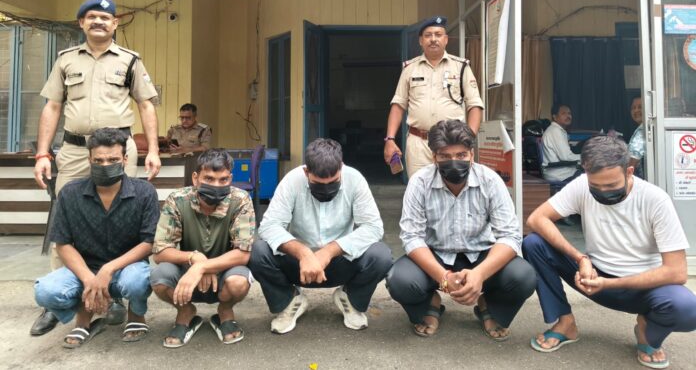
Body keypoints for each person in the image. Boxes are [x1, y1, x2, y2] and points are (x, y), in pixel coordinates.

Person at [31, 0, 161, 336]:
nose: (99, 21)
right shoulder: (65, 60)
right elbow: (52, 107)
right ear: (82, 23)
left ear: (115, 23)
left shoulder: (130, 61)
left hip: (119, 150)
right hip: (76, 150)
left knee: (123, 216)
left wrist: (153, 150)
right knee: (65, 219)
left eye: (105, 17)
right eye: (91, 17)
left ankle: (115, 292)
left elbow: (146, 105)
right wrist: (43, 153)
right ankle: (60, 301)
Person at [523, 136, 696, 369]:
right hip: (594, 276)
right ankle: (565, 323)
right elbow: (537, 219)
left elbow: (676, 272)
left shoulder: (655, 200)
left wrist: (609, 284)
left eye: (612, 186)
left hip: (643, 289)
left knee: (687, 308)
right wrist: (580, 258)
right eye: (596, 186)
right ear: (586, 173)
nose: (603, 192)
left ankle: (648, 333)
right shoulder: (581, 185)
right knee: (533, 244)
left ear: (629, 172)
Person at [387, 119, 536, 339]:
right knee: (399, 280)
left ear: (472, 155)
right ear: (434, 157)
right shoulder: (419, 182)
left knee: (524, 276)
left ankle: (490, 306)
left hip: (481, 255)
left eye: (461, 155)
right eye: (445, 156)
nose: (454, 162)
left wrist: (479, 274)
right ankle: (429, 304)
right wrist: (444, 277)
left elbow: (510, 236)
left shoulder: (490, 181)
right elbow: (411, 237)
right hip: (436, 256)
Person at [249, 138, 392, 334]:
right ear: (306, 172)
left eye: (333, 182)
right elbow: (268, 226)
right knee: (259, 252)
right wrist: (303, 253)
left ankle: (349, 298)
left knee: (381, 255)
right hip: (299, 266)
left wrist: (329, 251)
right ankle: (290, 301)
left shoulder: (355, 179)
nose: (326, 188)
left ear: (341, 167)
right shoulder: (292, 180)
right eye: (318, 183)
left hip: (340, 261)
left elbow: (373, 227)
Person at [33, 128, 160, 348]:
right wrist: (88, 278)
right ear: (89, 160)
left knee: (138, 281)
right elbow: (62, 242)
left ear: (125, 159)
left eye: (113, 160)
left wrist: (108, 269)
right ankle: (84, 316)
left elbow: (149, 242)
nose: (105, 165)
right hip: (85, 267)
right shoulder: (70, 193)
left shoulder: (144, 192)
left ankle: (136, 315)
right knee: (45, 291)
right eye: (99, 160)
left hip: (128, 267)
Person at [150, 148, 255, 348]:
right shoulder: (178, 199)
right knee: (159, 277)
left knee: (239, 282)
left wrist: (204, 267)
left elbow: (243, 253)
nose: (216, 185)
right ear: (195, 178)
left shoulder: (240, 200)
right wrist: (195, 258)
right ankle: (185, 312)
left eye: (223, 180)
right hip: (186, 274)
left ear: (230, 179)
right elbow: (160, 251)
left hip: (225, 273)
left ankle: (225, 311)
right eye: (209, 179)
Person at [384, 16, 484, 177]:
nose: (433, 39)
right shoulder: (410, 69)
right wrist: (390, 139)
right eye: (428, 35)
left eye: (438, 34)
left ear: (446, 39)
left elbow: (475, 105)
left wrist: (468, 141)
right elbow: (398, 105)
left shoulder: (461, 67)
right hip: (418, 143)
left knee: (453, 186)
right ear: (420, 41)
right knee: (419, 186)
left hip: (452, 143)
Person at [541, 103, 581, 183]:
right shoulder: (555, 131)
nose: (568, 116)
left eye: (569, 113)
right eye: (563, 113)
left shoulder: (558, 130)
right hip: (560, 174)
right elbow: (566, 157)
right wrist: (587, 157)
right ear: (555, 117)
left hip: (561, 172)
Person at [627, 96, 645, 178]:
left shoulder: (642, 130)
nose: (636, 110)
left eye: (640, 107)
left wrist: (626, 176)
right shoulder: (641, 128)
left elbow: (634, 157)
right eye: (633, 108)